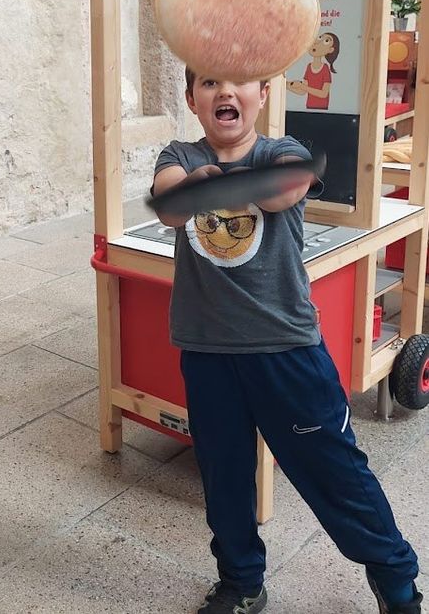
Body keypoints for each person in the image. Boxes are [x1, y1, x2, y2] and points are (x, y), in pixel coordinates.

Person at [151, 67, 422, 614]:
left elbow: (284, 191)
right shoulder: (176, 154)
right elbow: (172, 205)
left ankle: (395, 578)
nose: (224, 92)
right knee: (224, 481)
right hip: (207, 352)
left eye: (239, 82)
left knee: (335, 475)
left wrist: (212, 182)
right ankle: (241, 582)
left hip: (286, 351)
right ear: (190, 98)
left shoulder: (281, 150)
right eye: (207, 83)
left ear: (262, 94)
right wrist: (199, 179)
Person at [286, 30, 340, 110]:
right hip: (308, 107)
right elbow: (302, 92)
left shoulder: (325, 69)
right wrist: (287, 86)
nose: (317, 43)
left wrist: (302, 86)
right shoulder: (309, 67)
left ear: (330, 50)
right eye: (320, 38)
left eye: (326, 41)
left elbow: (323, 94)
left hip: (322, 109)